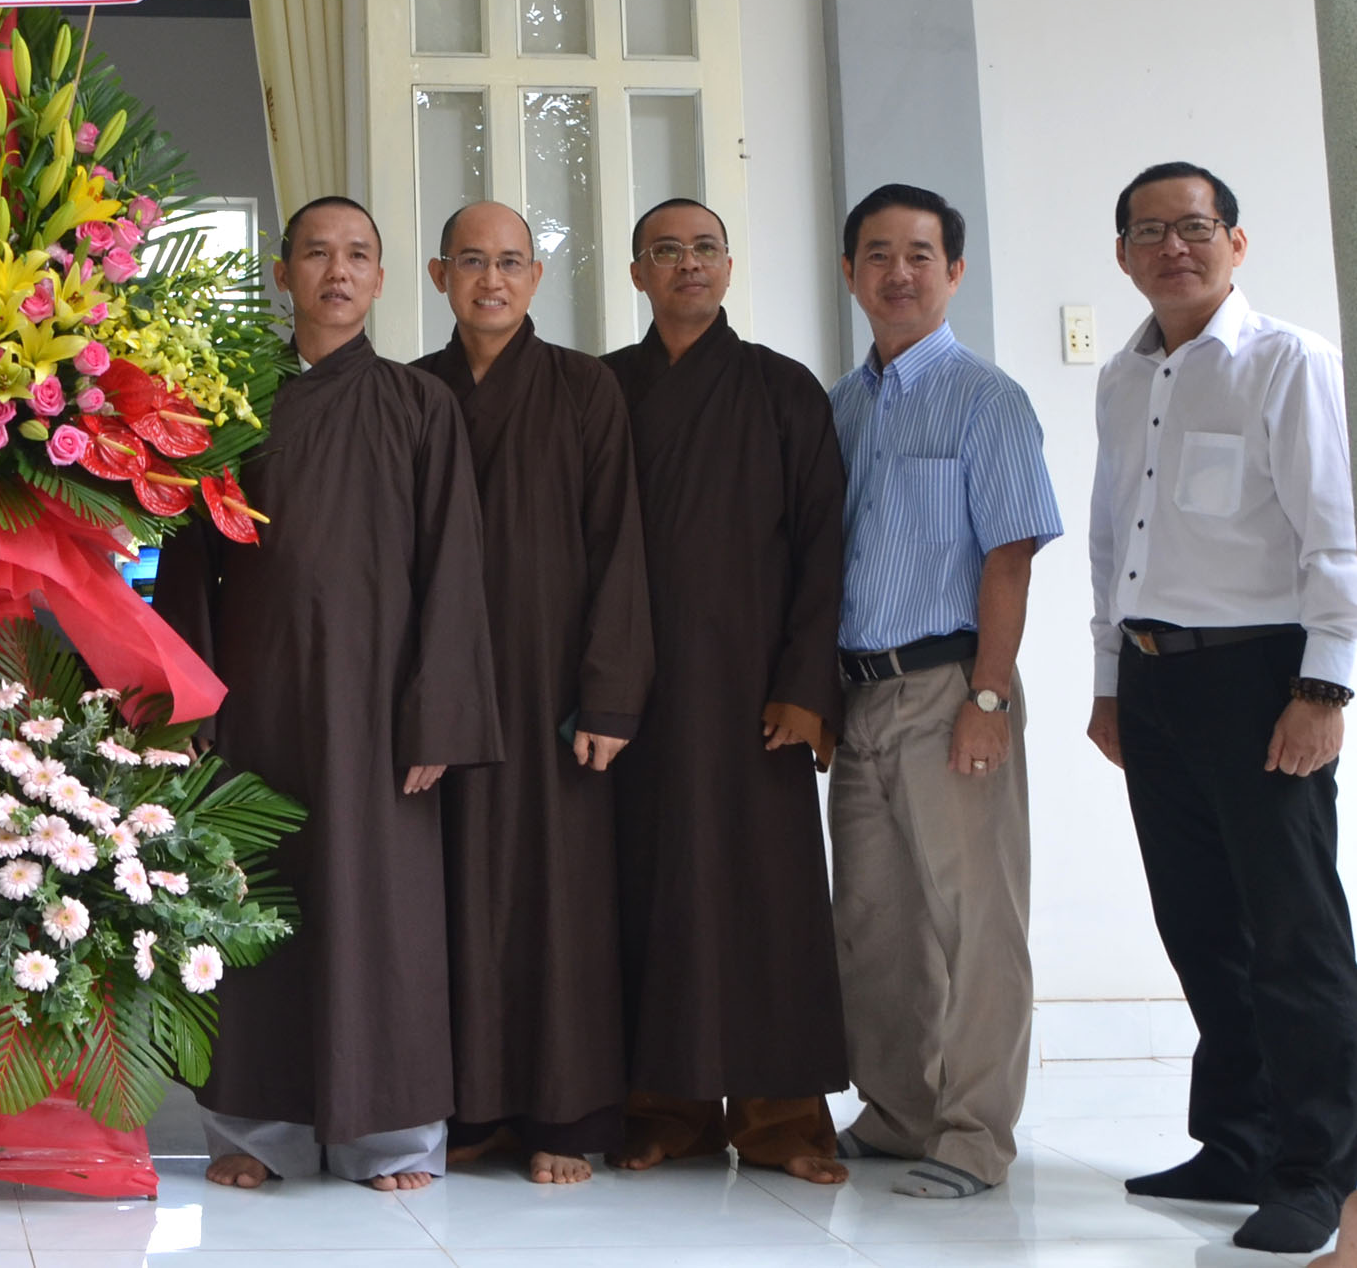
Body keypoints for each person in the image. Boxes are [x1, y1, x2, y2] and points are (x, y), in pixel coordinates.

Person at [155, 195, 501, 1192]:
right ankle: (254, 1135)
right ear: (282, 271)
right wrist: (189, 710)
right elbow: (189, 571)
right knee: (251, 903)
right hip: (257, 702)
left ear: (384, 280)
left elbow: (454, 568)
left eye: (357, 255)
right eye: (316, 253)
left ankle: (389, 1140)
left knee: (383, 914)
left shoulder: (416, 405)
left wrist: (437, 711)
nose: (337, 272)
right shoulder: (227, 404)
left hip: (383, 710)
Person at [1085, 162, 1357, 1258]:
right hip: (1154, 681)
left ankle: (1320, 1171)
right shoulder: (1122, 375)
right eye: (1148, 232)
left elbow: (1334, 533)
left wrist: (1323, 688)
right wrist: (1109, 684)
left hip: (1262, 680)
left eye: (1194, 228)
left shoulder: (1284, 362)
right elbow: (1113, 541)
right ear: (1122, 255)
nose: (1173, 248)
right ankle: (1237, 1140)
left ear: (1235, 243)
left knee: (1294, 935)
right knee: (1202, 925)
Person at [602, 199, 851, 1186]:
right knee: (646, 892)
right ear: (637, 274)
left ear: (730, 266)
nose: (686, 266)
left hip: (755, 696)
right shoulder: (604, 389)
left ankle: (782, 1115)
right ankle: (665, 1108)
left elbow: (824, 547)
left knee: (765, 899)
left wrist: (805, 687)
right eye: (665, 252)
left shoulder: (782, 389)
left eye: (703, 249)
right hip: (636, 695)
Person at [826, 183, 1061, 1201]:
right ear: (849, 274)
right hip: (859, 699)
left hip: (951, 688)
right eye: (877, 254)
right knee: (874, 922)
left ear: (953, 271)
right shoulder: (839, 407)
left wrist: (990, 698)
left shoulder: (985, 399)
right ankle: (898, 1110)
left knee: (976, 924)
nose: (899, 272)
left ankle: (972, 1135)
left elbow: (1007, 561)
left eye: (920, 254)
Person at [412, 201, 651, 1186]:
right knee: (449, 898)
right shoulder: (411, 393)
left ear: (537, 278)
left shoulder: (583, 389)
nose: (492, 280)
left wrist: (609, 699)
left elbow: (618, 548)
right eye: (472, 261)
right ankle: (467, 1109)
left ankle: (564, 1113)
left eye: (511, 261)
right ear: (438, 277)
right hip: (441, 688)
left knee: (559, 907)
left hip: (553, 688)